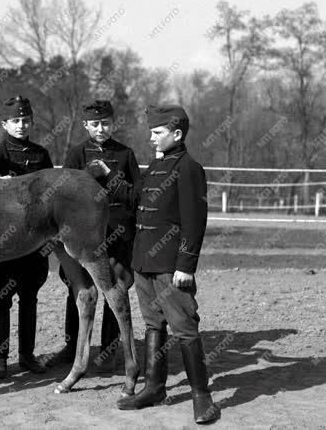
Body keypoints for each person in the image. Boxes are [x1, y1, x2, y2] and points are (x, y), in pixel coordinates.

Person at [89, 104, 220, 424]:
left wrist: (186, 265)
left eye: (157, 132)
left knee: (185, 329)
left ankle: (202, 397)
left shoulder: (189, 168)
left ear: (177, 134)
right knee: (153, 325)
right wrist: (109, 175)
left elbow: (194, 221)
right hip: (144, 261)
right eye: (151, 132)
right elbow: (136, 198)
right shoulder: (156, 167)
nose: (151, 137)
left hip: (171, 264)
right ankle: (154, 387)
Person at [55, 100, 141, 372]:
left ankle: (109, 349)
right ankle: (73, 348)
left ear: (112, 123)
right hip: (84, 233)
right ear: (86, 126)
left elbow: (134, 194)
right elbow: (65, 194)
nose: (101, 129)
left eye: (105, 123)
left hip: (117, 229)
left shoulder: (126, 154)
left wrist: (109, 175)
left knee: (115, 288)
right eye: (95, 124)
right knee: (79, 290)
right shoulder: (76, 153)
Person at [0, 95, 53, 379]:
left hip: (34, 240)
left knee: (29, 298)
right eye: (16, 121)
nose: (21, 125)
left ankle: (27, 355)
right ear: (4, 124)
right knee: (1, 298)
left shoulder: (41, 155)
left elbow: (50, 195)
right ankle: (0, 358)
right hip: (2, 242)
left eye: (26, 120)